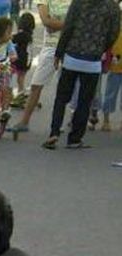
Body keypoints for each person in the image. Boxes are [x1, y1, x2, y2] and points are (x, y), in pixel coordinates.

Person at [42, 0, 120, 149]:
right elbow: (113, 33)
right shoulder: (112, 7)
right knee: (84, 101)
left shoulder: (78, 2)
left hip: (72, 56)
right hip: (93, 61)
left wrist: (59, 53)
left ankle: (54, 132)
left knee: (62, 97)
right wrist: (101, 49)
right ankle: (75, 138)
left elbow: (68, 28)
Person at [8, 0, 70, 135]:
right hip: (51, 47)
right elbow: (46, 22)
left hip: (71, 46)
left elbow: (54, 23)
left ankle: (62, 123)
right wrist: (71, 24)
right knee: (36, 84)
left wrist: (57, 24)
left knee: (67, 88)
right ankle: (24, 122)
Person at [101, 17, 122, 131]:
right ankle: (106, 120)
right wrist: (106, 62)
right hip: (115, 66)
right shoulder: (115, 24)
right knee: (110, 94)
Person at [11, 11, 35, 100]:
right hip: (28, 59)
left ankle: (20, 93)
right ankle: (22, 91)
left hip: (22, 59)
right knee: (22, 77)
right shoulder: (29, 35)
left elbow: (13, 39)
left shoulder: (22, 34)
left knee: (19, 78)